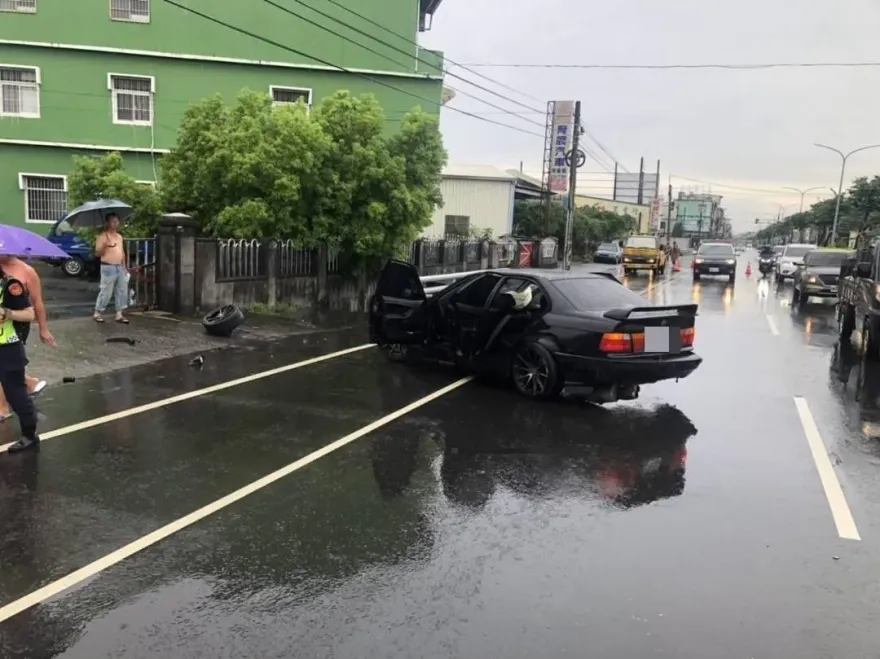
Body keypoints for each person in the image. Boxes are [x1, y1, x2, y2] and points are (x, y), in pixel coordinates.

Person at [0, 256, 53, 421]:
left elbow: (37, 302)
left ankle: (4, 408)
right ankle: (29, 383)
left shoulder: (26, 271)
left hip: (15, 328)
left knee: (7, 369)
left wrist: (43, 329)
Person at [0, 268, 40, 453]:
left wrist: (7, 313)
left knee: (15, 393)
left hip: (7, 348)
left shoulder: (10, 285)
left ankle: (29, 435)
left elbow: (30, 314)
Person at [93, 214, 130, 324]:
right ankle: (98, 312)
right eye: (113, 221)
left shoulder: (119, 237)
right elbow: (97, 253)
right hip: (108, 266)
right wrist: (105, 246)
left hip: (119, 266)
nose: (115, 223)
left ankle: (119, 314)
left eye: (117, 221)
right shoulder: (102, 236)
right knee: (106, 291)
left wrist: (124, 266)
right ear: (107, 223)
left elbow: (122, 252)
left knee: (122, 290)